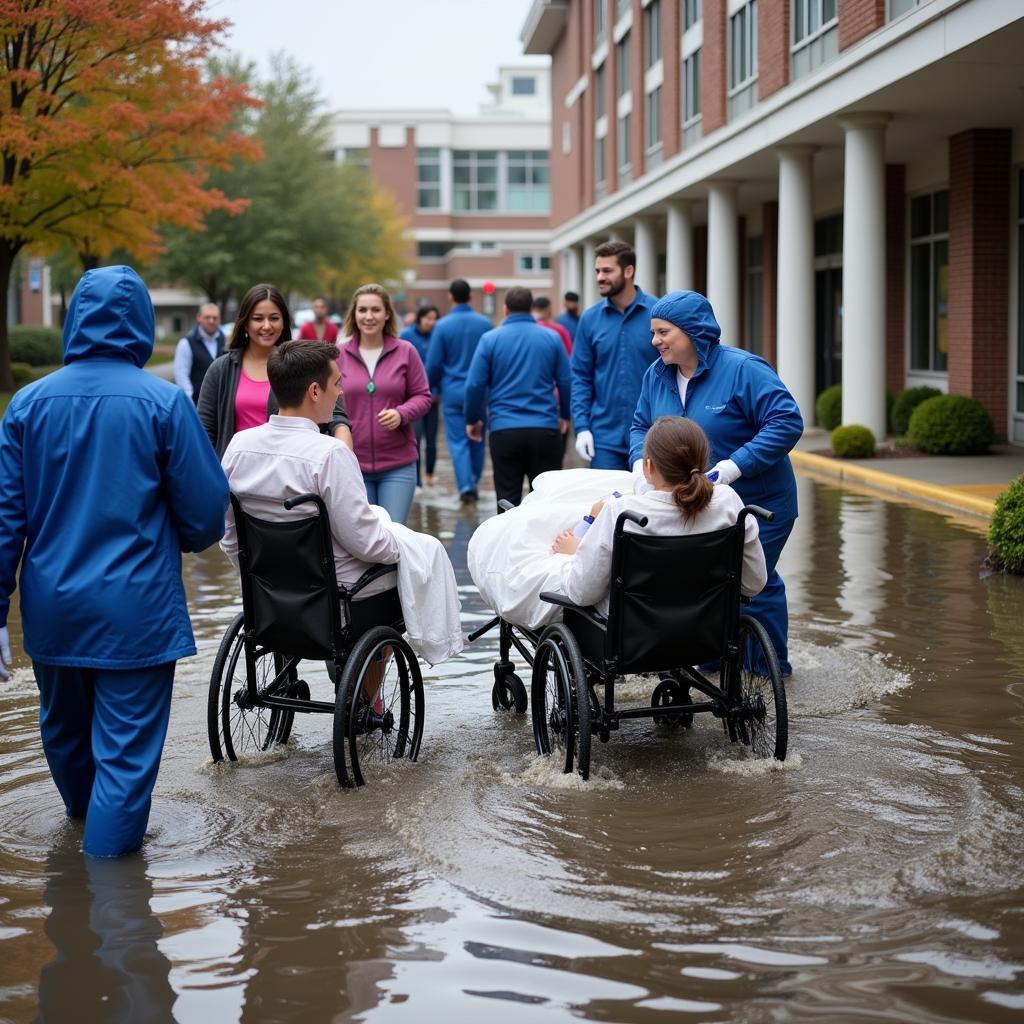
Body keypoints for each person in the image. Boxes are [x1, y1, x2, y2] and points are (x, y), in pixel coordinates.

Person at [0, 265, 229, 858]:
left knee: (66, 737)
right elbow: (206, 514)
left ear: (74, 319)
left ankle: (78, 877)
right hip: (137, 609)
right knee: (124, 759)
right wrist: (166, 539)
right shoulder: (163, 403)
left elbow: (6, 520)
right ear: (142, 324)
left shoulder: (27, 404)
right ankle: (109, 899)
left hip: (53, 607)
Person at [221, 340, 463, 669]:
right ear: (315, 392)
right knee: (413, 562)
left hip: (267, 589)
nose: (341, 393)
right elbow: (364, 541)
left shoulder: (240, 445)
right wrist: (403, 548)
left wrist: (251, 572)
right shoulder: (329, 453)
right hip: (336, 593)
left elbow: (230, 530)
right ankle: (368, 702)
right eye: (337, 384)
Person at [629, 290, 803, 675]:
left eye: (663, 332)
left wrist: (734, 467)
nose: (654, 341)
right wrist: (642, 468)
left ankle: (768, 669)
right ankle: (712, 659)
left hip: (760, 502)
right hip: (695, 503)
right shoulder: (656, 375)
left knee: (752, 581)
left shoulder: (743, 369)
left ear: (692, 331)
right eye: (653, 333)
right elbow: (641, 425)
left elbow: (787, 422)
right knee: (707, 583)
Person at [553, 417, 766, 612]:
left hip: (630, 633)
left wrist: (575, 553)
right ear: (702, 461)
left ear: (648, 466)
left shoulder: (622, 512)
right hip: (708, 628)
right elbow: (753, 583)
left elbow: (583, 593)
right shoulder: (729, 502)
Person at [197, 283, 352, 458]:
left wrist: (343, 455)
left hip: (291, 474)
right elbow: (204, 430)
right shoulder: (221, 369)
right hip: (234, 476)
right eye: (257, 318)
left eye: (274, 318)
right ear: (245, 323)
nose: (266, 326)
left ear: (284, 321)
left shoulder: (305, 364)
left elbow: (337, 418)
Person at [464, 286, 571, 510]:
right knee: (546, 499)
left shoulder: (490, 339)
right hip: (544, 429)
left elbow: (474, 385)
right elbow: (566, 381)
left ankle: (507, 544)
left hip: (505, 429)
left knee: (507, 499)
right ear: (530, 308)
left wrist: (473, 419)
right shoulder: (551, 338)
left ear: (505, 309)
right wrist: (565, 416)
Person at [338, 283, 432, 525]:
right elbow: (329, 405)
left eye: (376, 310)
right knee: (362, 541)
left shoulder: (405, 351)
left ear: (387, 314)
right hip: (353, 465)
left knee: (393, 535)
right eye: (363, 310)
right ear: (354, 314)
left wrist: (401, 413)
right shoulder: (338, 355)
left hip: (398, 464)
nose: (369, 316)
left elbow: (423, 396)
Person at [571, 241, 659, 470]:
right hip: (604, 439)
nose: (600, 277)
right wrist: (581, 427)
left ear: (628, 271)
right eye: (597, 271)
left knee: (646, 505)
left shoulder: (657, 314)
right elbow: (580, 377)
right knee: (606, 503)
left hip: (652, 436)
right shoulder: (589, 319)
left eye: (607, 271)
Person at [425, 278, 492, 503]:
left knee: (457, 441)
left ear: (450, 297)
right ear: (471, 297)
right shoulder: (484, 324)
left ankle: (465, 486)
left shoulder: (442, 326)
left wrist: (428, 388)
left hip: (452, 391)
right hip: (481, 392)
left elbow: (434, 364)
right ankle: (473, 480)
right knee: (478, 437)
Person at [399, 305, 441, 487]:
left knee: (431, 439)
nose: (431, 322)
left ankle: (430, 475)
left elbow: (440, 365)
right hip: (412, 398)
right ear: (420, 318)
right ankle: (416, 480)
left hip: (434, 396)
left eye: (434, 318)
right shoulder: (407, 335)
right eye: (428, 318)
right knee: (415, 438)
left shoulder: (438, 335)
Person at [173, 302, 225, 404]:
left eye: (215, 318)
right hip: (197, 404)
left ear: (220, 319)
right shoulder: (186, 343)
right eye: (207, 317)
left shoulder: (225, 340)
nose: (211, 321)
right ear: (199, 318)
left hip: (222, 405)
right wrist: (190, 405)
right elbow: (181, 376)